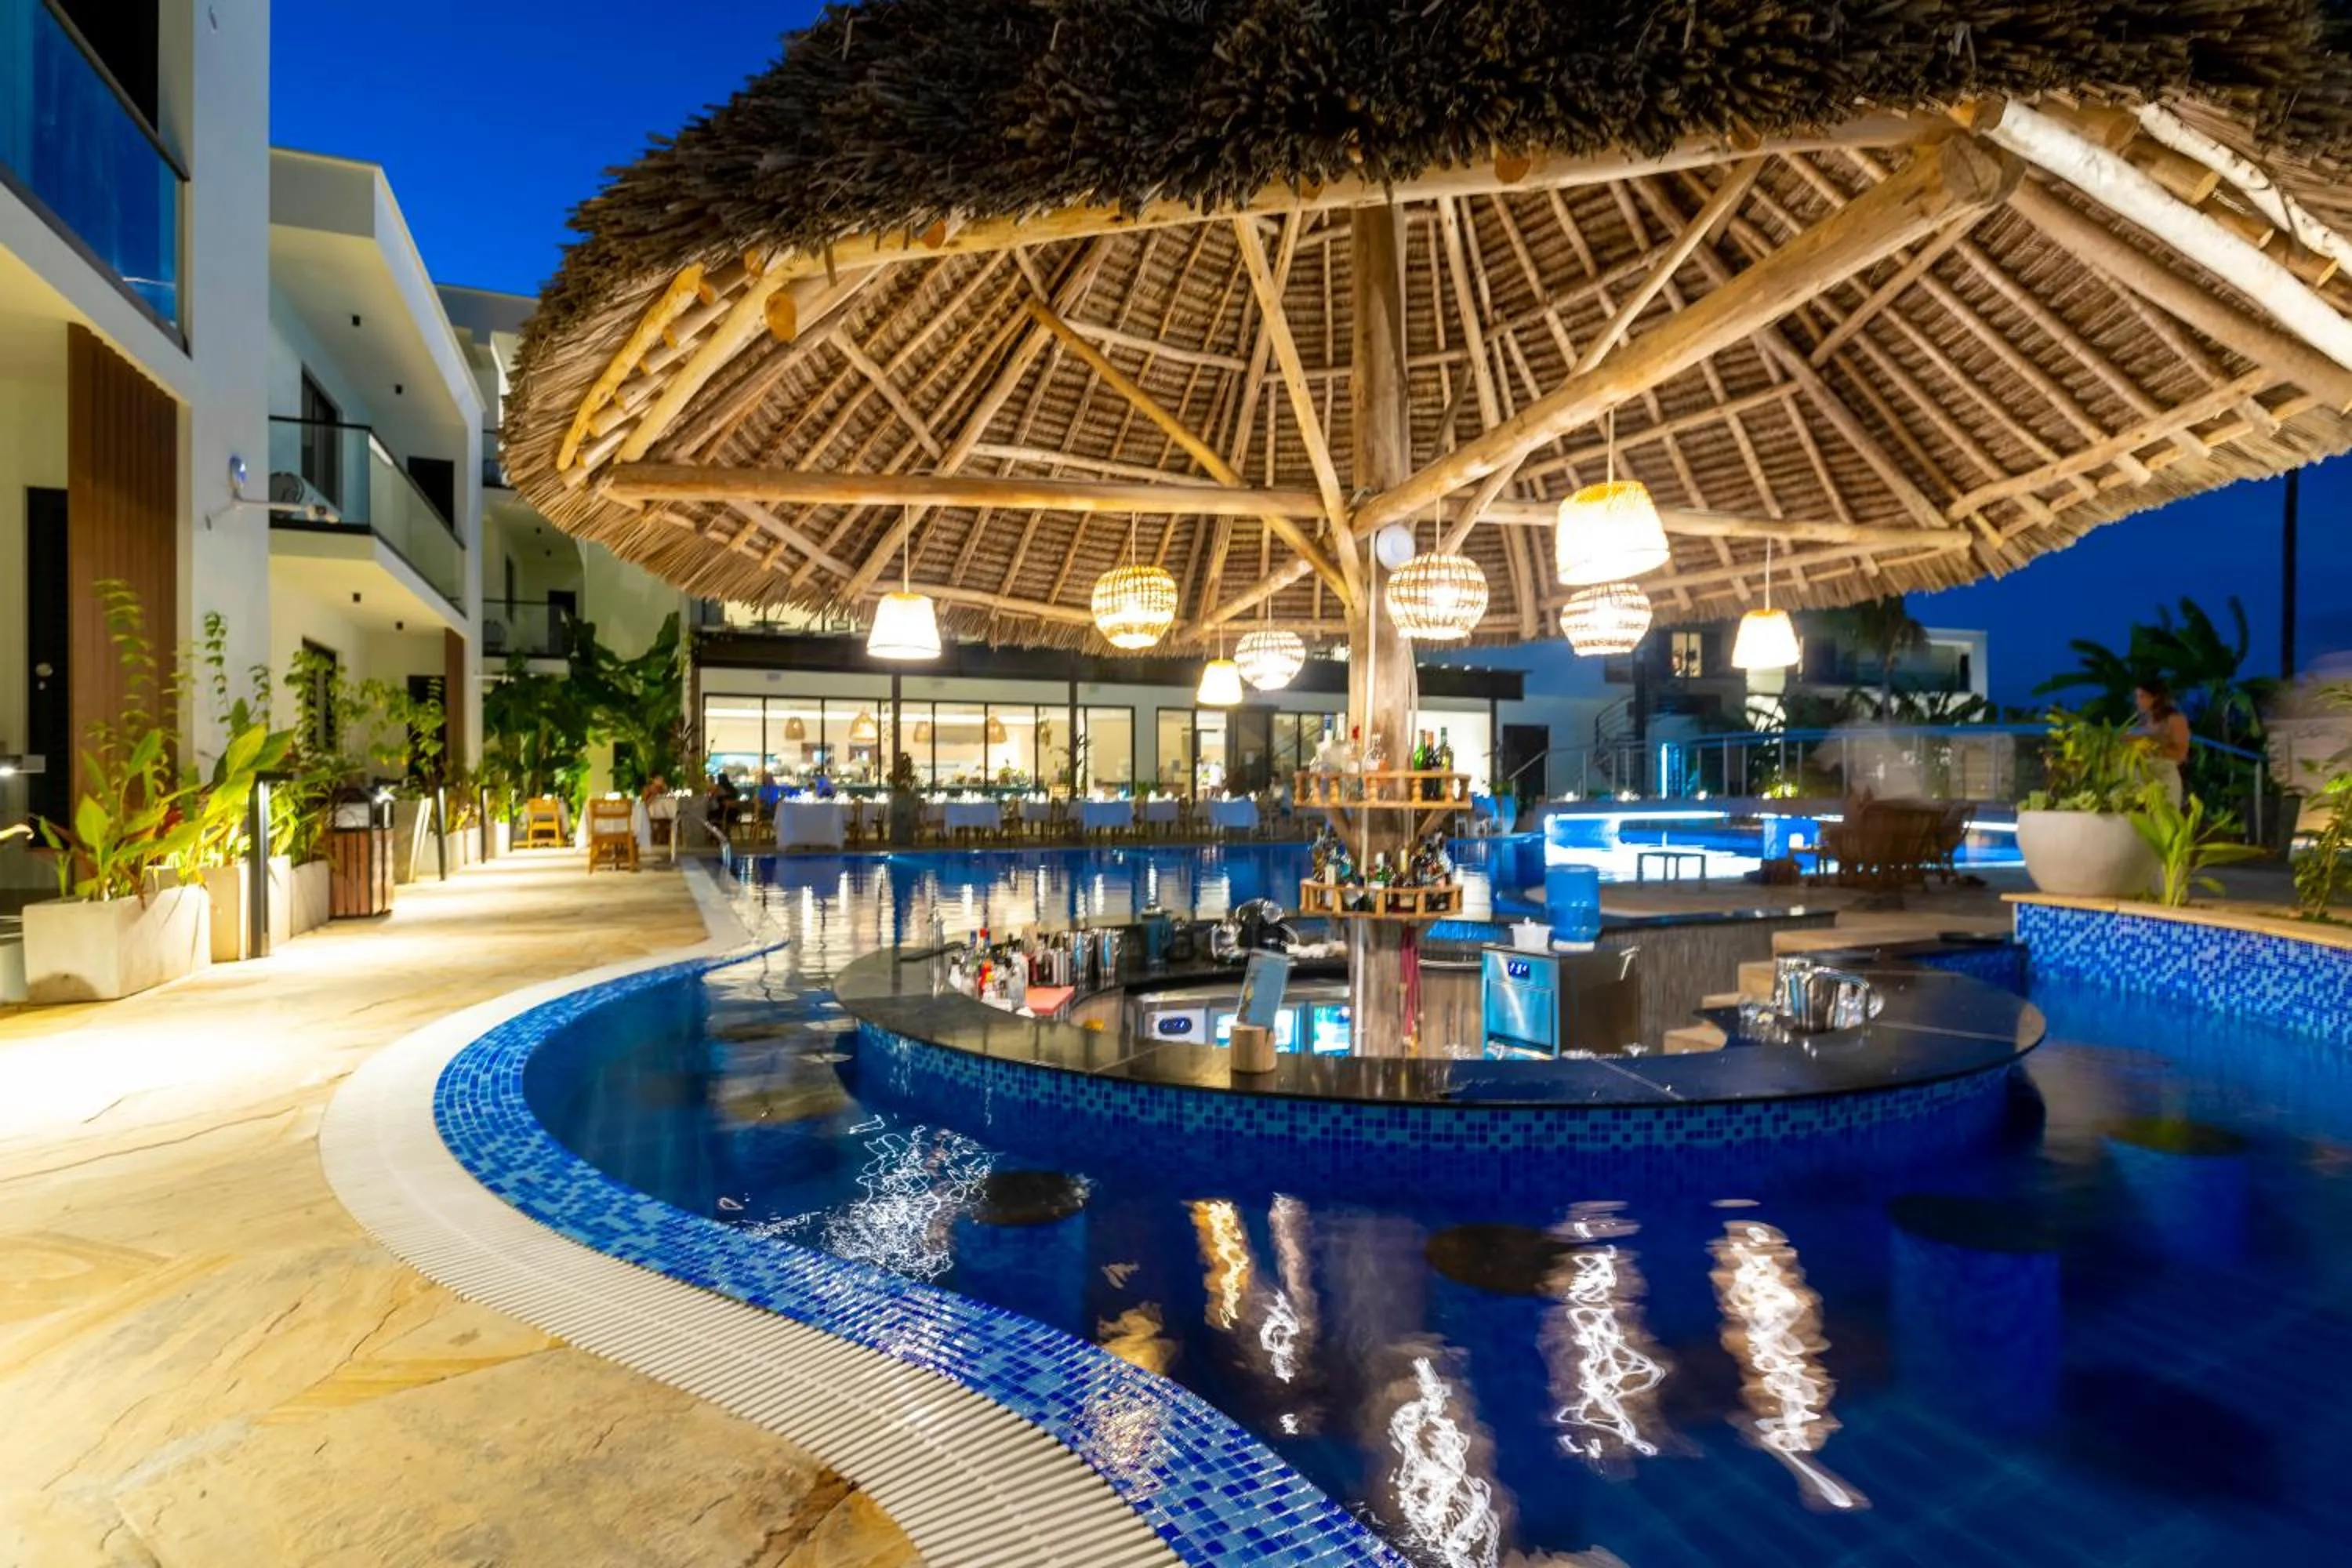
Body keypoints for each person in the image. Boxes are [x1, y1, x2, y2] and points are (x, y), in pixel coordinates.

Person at [2136, 678, 2190, 807]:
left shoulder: (2175, 720)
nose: (2138, 701)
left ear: (2155, 698)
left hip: (2166, 779)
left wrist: (2151, 747)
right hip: (2145, 780)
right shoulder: (2146, 721)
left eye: (2142, 696)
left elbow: (2181, 754)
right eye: (2137, 697)